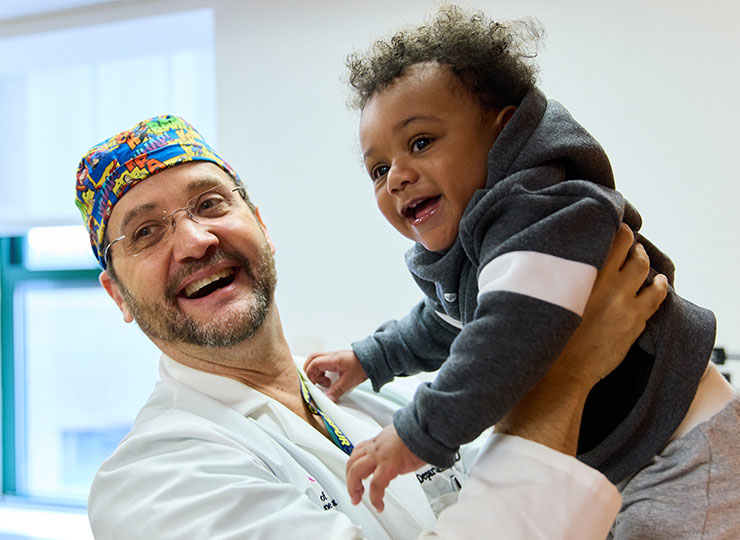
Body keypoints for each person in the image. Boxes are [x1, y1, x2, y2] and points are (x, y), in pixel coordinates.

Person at [76, 114, 666, 539]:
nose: (197, 240)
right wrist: (568, 375)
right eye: (146, 232)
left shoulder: (372, 410)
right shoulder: (154, 483)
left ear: (259, 224)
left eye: (210, 203)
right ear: (118, 294)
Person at [303, 6, 740, 538]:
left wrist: (419, 431)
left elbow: (505, 332)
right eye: (378, 169)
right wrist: (371, 357)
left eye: (420, 142)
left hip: (685, 441)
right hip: (628, 451)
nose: (396, 176)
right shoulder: (481, 252)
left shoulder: (544, 210)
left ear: (503, 132)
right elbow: (447, 322)